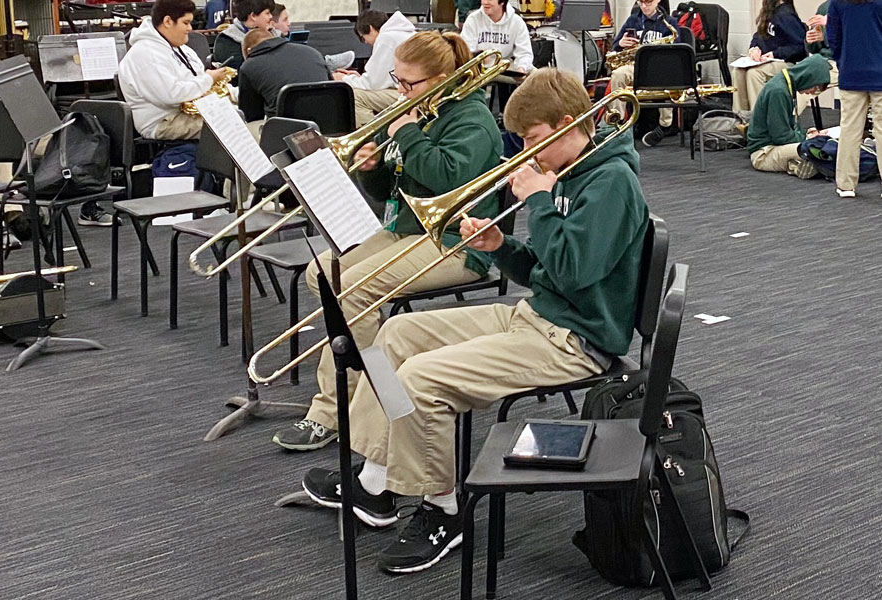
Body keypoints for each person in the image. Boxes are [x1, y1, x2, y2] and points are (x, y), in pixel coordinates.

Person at [299, 67, 648, 574]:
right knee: (397, 333)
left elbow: (576, 272)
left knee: (420, 381)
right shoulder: (573, 172)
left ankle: (443, 511)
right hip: (538, 316)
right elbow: (549, 269)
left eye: (533, 140)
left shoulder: (611, 180)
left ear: (569, 124)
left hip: (574, 340)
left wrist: (539, 201)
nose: (526, 152)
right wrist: (502, 247)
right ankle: (377, 480)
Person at [272, 31, 504, 451]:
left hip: (457, 240)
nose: (400, 91)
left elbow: (447, 178)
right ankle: (373, 376)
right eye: (397, 80)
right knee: (321, 273)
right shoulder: (423, 108)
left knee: (354, 291)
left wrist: (409, 134)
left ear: (444, 78)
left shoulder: (472, 118)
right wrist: (372, 167)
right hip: (407, 229)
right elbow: (387, 191)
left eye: (408, 83)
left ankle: (334, 410)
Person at [118, 0, 230, 141]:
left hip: (188, 112)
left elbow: (197, 80)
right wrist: (209, 79)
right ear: (168, 21)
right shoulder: (144, 54)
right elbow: (172, 96)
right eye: (185, 22)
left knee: (238, 113)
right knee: (228, 126)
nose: (190, 28)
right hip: (163, 121)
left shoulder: (181, 48)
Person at [826, 0, 882, 198]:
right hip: (879, 72)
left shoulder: (838, 3)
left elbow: (832, 36)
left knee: (850, 129)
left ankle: (846, 185)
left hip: (851, 72)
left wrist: (842, 60)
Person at [607, 0, 679, 147]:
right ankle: (619, 123)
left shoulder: (669, 22)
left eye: (648, 2)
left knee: (668, 75)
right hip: (635, 65)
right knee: (618, 75)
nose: (644, 6)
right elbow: (616, 45)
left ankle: (666, 124)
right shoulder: (633, 20)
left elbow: (678, 52)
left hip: (659, 67)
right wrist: (620, 44)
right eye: (641, 2)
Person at [747, 54, 831, 177]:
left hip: (773, 147)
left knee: (817, 144)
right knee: (815, 147)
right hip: (763, 153)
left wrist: (807, 134)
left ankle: (796, 164)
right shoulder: (778, 91)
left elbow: (788, 127)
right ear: (807, 76)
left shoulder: (785, 85)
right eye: (816, 86)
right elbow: (781, 136)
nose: (813, 92)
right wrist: (807, 138)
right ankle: (799, 164)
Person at [334, 10, 416, 127]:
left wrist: (344, 79)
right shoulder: (403, 33)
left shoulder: (386, 38)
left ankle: (369, 138)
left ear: (370, 28)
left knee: (355, 96)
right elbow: (387, 78)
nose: (366, 42)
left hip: (409, 94)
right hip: (414, 89)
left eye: (363, 38)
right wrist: (360, 78)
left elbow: (373, 84)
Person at [237, 28, 330, 122]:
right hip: (332, 122)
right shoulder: (312, 51)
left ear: (249, 51)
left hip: (286, 129)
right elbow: (333, 87)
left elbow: (251, 115)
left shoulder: (249, 66)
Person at [732, 0, 807, 114]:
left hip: (786, 62)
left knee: (754, 74)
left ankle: (759, 119)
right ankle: (741, 117)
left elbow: (800, 47)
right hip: (767, 61)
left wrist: (775, 54)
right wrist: (754, 48)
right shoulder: (769, 12)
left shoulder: (786, 15)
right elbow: (758, 36)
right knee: (738, 71)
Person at [460, 0, 534, 73]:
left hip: (506, 68)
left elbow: (524, 53)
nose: (485, 2)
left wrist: (522, 68)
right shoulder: (473, 19)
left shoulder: (517, 22)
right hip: (479, 70)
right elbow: (465, 52)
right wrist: (479, 57)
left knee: (536, 75)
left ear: (502, 2)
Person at [211, 0, 275, 72]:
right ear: (253, 16)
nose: (271, 16)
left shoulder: (274, 34)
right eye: (267, 13)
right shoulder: (226, 40)